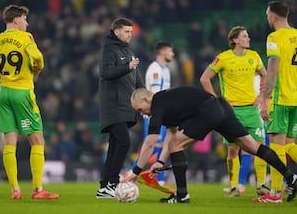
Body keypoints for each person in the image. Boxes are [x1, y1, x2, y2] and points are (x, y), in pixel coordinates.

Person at [126, 86, 297, 203]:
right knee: (251, 146)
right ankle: (291, 177)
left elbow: (150, 143)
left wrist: (136, 171)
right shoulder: (165, 102)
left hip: (207, 110)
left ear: (147, 99)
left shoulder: (157, 105)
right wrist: (160, 162)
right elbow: (171, 134)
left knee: (177, 145)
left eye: (141, 109)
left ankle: (182, 195)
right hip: (221, 106)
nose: (143, 114)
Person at [0, 5, 59, 199]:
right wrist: (37, 68)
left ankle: (15, 189)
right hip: (22, 92)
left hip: (3, 92)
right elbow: (38, 58)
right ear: (16, 20)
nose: (27, 23)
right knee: (37, 140)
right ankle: (38, 189)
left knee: (9, 141)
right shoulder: (25, 37)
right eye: (24, 19)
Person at [200, 26, 269, 197]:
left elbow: (265, 75)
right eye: (245, 36)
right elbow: (204, 78)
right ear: (235, 40)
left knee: (260, 147)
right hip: (232, 113)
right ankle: (233, 187)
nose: (249, 38)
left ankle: (261, 185)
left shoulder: (254, 56)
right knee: (232, 150)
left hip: (252, 110)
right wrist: (217, 100)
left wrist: (261, 95)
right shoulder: (223, 58)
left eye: (248, 36)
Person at [253, 1, 297, 203]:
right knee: (289, 144)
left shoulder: (274, 37)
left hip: (281, 98)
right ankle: (283, 188)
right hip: (296, 99)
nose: (267, 18)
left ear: (273, 16)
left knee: (277, 144)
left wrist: (265, 97)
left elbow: (272, 68)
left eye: (267, 14)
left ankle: (276, 194)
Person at [96, 17, 144, 198]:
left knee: (116, 145)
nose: (130, 35)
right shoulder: (108, 49)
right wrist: (127, 66)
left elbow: (136, 80)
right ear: (116, 32)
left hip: (126, 105)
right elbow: (106, 73)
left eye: (131, 32)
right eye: (127, 31)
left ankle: (104, 187)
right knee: (124, 142)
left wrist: (145, 98)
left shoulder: (129, 51)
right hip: (113, 104)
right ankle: (112, 182)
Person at [130, 41, 174, 185]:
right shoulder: (155, 69)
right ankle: (132, 174)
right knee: (152, 144)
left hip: (163, 113)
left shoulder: (165, 69)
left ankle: (155, 177)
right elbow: (154, 95)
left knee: (159, 144)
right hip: (154, 113)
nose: (172, 54)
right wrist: (157, 112)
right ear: (162, 52)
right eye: (170, 51)